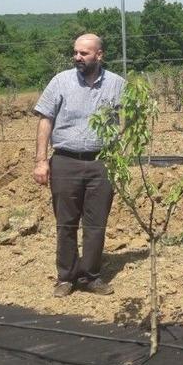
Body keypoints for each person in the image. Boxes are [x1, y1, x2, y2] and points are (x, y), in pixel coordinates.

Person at [32, 34, 125, 298]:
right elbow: (45, 121)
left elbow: (129, 118)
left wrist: (121, 153)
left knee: (96, 224)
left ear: (99, 55)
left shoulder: (118, 84)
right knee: (66, 223)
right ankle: (66, 277)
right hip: (65, 161)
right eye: (75, 53)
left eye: (84, 53)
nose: (78, 58)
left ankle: (91, 277)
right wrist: (41, 160)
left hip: (102, 163)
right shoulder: (60, 81)